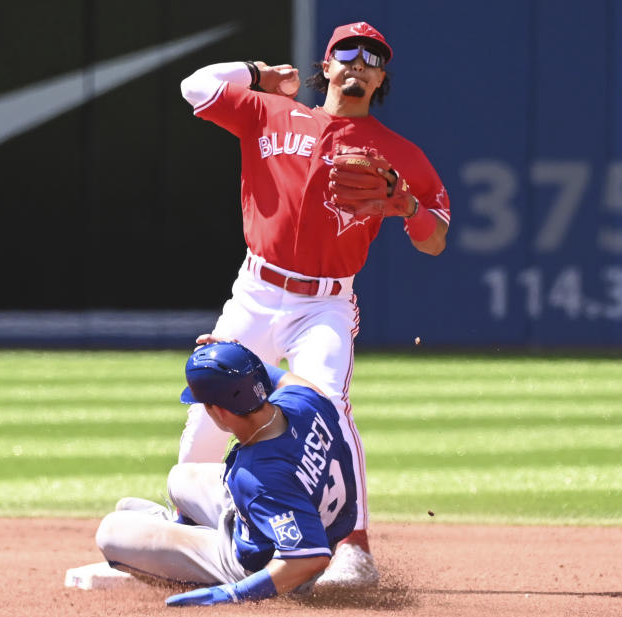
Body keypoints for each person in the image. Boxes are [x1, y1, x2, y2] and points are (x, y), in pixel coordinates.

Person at [177, 21, 451, 586]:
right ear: (325, 66)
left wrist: (407, 207)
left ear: (381, 78)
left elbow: (436, 238)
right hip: (255, 291)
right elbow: (195, 86)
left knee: (326, 407)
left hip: (324, 304)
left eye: (372, 58)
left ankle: (355, 548)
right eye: (345, 53)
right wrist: (259, 74)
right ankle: (186, 533)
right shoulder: (270, 113)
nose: (358, 62)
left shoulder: (398, 153)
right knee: (208, 413)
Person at [95, 340, 358, 605]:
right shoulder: (304, 400)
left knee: (111, 532)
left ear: (219, 411)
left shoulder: (259, 476)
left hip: (271, 566)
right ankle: (183, 536)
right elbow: (279, 377)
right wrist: (234, 359)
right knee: (180, 478)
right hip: (297, 514)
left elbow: (310, 558)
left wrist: (234, 593)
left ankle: (202, 558)